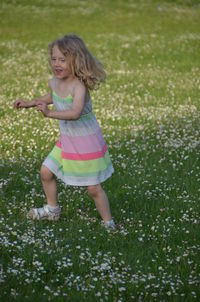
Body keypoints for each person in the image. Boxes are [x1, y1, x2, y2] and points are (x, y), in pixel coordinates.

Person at [14, 34, 116, 230]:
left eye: (62, 59)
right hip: (68, 140)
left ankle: (108, 223)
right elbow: (53, 96)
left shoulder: (79, 87)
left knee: (93, 188)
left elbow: (75, 112)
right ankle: (52, 210)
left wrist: (49, 113)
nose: (57, 64)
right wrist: (29, 103)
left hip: (86, 142)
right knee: (46, 171)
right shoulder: (56, 82)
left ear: (76, 60)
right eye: (54, 59)